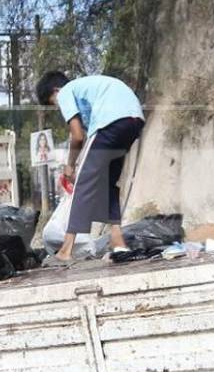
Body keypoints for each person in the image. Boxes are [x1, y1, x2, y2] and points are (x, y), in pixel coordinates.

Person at [35, 71, 144, 263]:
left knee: (82, 186)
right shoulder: (89, 90)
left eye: (54, 102)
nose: (58, 107)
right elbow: (88, 139)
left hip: (111, 122)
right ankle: (118, 242)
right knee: (108, 184)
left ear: (55, 91)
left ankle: (66, 250)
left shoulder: (67, 91)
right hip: (133, 121)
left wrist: (70, 166)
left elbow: (77, 136)